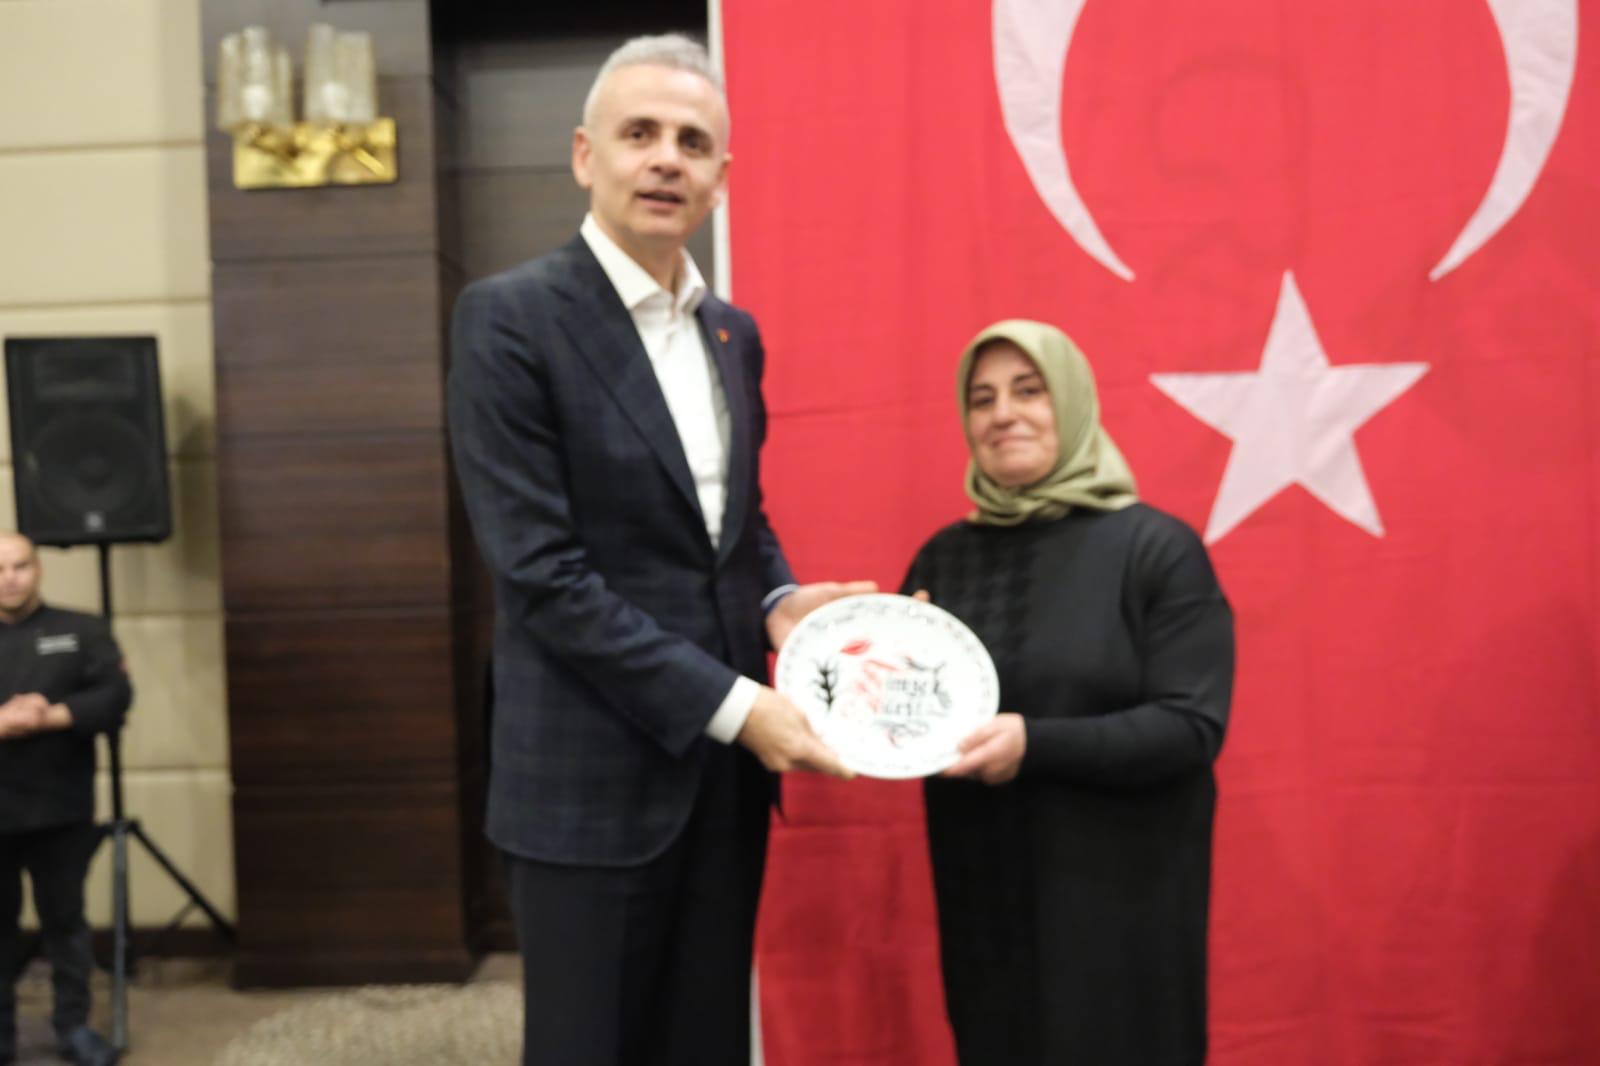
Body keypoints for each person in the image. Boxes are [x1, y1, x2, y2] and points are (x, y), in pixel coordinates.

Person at [447, 33, 870, 1066]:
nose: (666, 159)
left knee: (704, 1043)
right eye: (640, 134)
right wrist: (741, 707)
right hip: (585, 780)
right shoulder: (508, 321)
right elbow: (542, 576)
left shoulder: (732, 334)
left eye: (692, 142)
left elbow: (733, 521)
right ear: (585, 155)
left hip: (721, 786)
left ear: (721, 179)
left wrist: (777, 601)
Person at [901, 320, 1235, 1065]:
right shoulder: (941, 561)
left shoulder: (1156, 550)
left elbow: (1191, 726)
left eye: (1029, 391)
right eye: (982, 398)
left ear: (1074, 400)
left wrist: (1033, 745)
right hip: (987, 905)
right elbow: (910, 723)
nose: (1003, 415)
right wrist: (868, 677)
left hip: (1123, 909)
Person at [0, 533, 129, 1066]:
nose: (10, 578)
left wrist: (49, 715)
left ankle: (73, 1028)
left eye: (20, 566)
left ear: (39, 569)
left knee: (66, 924)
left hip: (62, 808)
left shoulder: (82, 630)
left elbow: (115, 697)